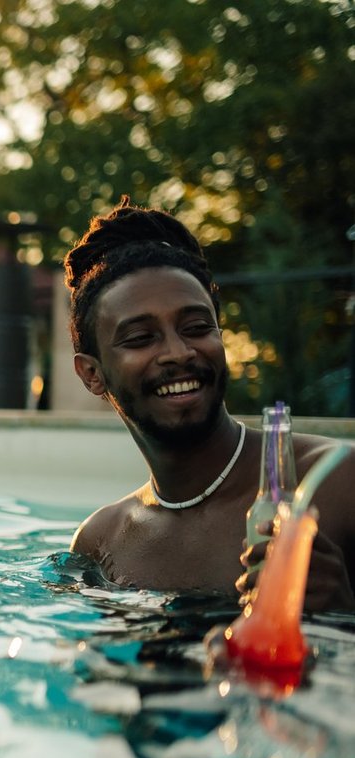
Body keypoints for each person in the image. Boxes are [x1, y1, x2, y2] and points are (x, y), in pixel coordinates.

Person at [66, 198, 355, 611]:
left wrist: (341, 613)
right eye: (141, 338)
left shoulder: (336, 482)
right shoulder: (101, 541)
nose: (178, 352)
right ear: (92, 374)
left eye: (197, 327)